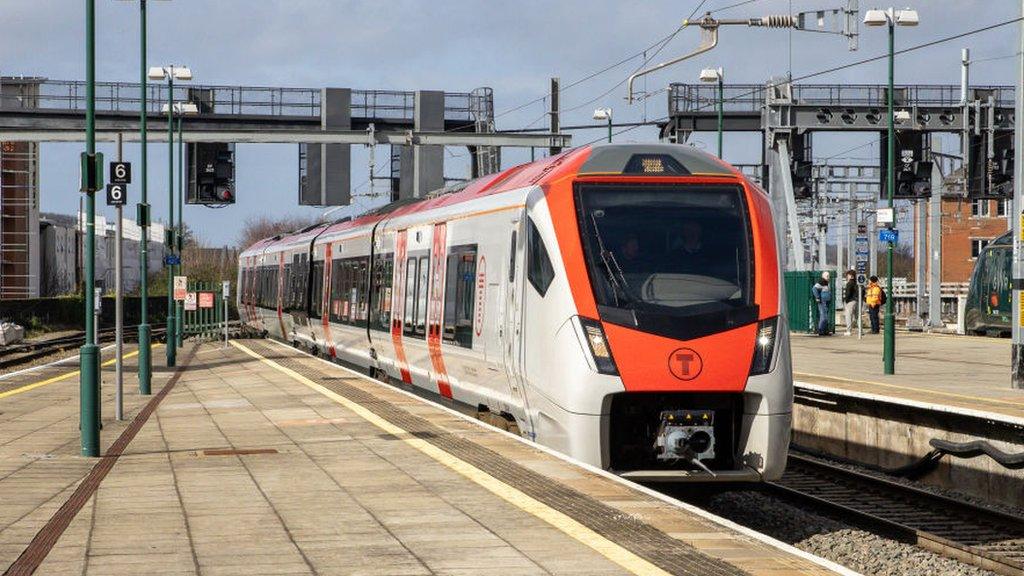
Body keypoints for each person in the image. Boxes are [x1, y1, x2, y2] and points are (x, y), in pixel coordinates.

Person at [811, 272, 832, 336]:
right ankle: (820, 330)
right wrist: (817, 297)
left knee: (825, 316)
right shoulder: (821, 282)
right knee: (823, 316)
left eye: (829, 276)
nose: (828, 277)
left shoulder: (827, 283)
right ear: (823, 276)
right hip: (822, 301)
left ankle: (824, 330)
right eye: (827, 276)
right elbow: (814, 288)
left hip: (826, 301)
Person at [842, 270, 858, 336]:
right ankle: (861, 330)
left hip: (850, 301)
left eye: (847, 275)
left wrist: (846, 300)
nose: (847, 276)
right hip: (856, 301)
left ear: (850, 276)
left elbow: (848, 293)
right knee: (857, 316)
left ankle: (848, 330)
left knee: (848, 316)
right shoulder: (856, 283)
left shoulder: (849, 283)